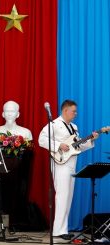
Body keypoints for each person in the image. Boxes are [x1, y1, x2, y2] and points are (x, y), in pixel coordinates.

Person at [38, 99, 99, 240]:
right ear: (65, 110)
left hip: (71, 163)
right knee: (62, 196)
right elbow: (42, 139)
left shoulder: (74, 127)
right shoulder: (54, 124)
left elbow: (77, 146)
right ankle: (58, 231)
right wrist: (59, 145)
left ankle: (62, 229)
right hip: (60, 163)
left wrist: (92, 139)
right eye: (74, 111)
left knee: (68, 197)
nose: (76, 113)